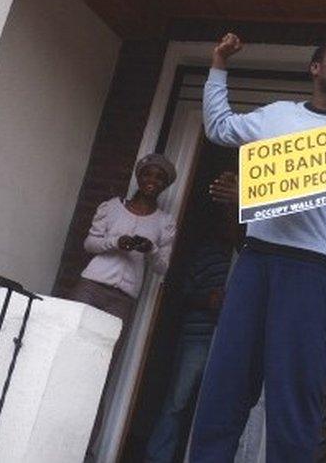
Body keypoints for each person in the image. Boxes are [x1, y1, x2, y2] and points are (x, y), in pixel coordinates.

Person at [189, 34, 326, 462]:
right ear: (315, 68)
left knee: (295, 396)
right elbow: (218, 128)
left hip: (312, 271)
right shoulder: (276, 117)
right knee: (225, 385)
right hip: (255, 261)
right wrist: (218, 63)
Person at [75, 152, 178, 459]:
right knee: (75, 353)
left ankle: (86, 450)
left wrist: (150, 249)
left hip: (123, 299)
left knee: (103, 368)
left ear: (164, 185)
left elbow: (163, 267)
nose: (152, 181)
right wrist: (114, 242)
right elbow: (89, 244)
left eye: (159, 178)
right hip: (91, 287)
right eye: (148, 173)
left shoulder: (164, 222)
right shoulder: (111, 207)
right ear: (139, 175)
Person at [144, 170, 242, 463]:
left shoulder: (249, 258)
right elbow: (182, 292)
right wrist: (206, 300)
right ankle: (157, 458)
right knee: (178, 401)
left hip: (229, 342)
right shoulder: (207, 253)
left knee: (217, 407)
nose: (230, 221)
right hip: (197, 337)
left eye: (235, 214)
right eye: (226, 215)